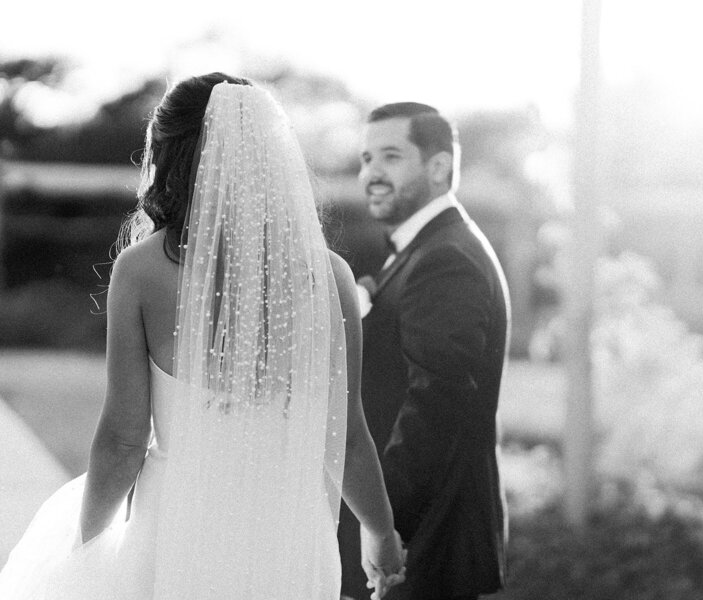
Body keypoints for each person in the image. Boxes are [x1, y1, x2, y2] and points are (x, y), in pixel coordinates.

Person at [0, 73, 405, 600]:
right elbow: (347, 439)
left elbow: (124, 441)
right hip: (289, 540)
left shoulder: (142, 270)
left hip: (180, 532)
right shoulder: (328, 276)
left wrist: (84, 546)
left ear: (168, 159)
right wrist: (381, 533)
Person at [337, 103, 510, 600]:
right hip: (423, 541)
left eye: (390, 157)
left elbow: (435, 407)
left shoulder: (445, 259)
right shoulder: (426, 250)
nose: (371, 173)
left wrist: (385, 525)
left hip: (427, 543)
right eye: (367, 158)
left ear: (438, 167)